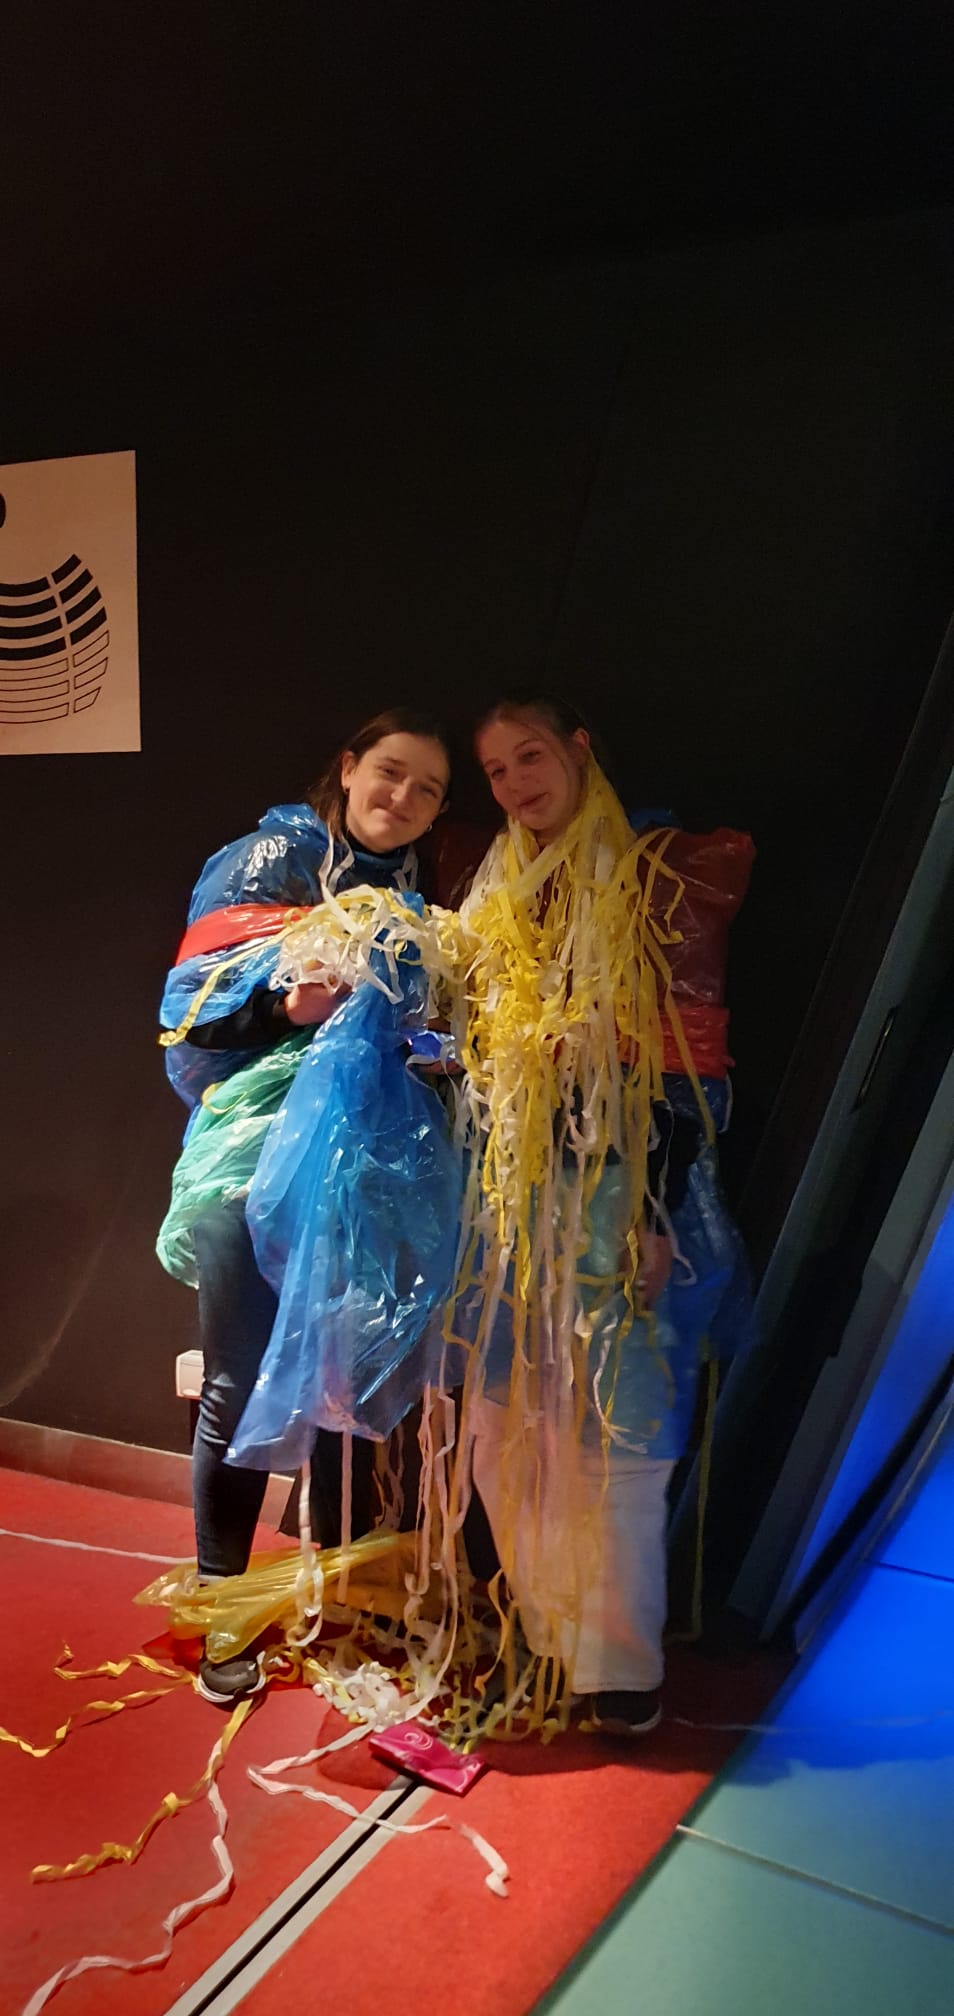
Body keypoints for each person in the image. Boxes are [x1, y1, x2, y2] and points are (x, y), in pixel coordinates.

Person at [453, 693, 751, 1737]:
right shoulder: (495, 891)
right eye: (495, 771)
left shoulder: (652, 877)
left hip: (618, 1192)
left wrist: (653, 1210)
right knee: (503, 1427)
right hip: (509, 1200)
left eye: (530, 756)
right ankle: (544, 1637)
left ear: (578, 749)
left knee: (618, 1429)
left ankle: (618, 1667)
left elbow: (680, 1067)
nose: (514, 784)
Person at [157, 708, 452, 1704]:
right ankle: (225, 1617)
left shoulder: (411, 902)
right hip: (249, 1167)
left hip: (357, 1172)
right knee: (239, 1384)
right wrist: (286, 1007)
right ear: (349, 768)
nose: (403, 798)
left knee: (344, 1388)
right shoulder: (270, 861)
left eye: (428, 789)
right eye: (391, 773)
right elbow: (189, 1018)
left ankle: (338, 1596)